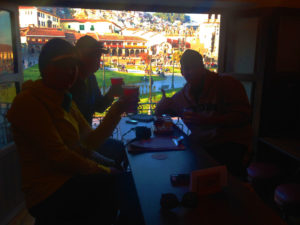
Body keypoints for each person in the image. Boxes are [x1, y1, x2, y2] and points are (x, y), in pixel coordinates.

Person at [6, 38, 133, 225]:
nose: (71, 72)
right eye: (63, 65)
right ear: (45, 68)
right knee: (117, 185)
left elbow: (89, 140)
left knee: (119, 178)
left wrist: (118, 108)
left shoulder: (65, 98)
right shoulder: (29, 102)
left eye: (73, 66)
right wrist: (104, 170)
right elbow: (60, 157)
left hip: (68, 176)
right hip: (47, 190)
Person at [155, 49, 252, 178]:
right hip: (199, 148)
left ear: (202, 67)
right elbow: (166, 118)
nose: (186, 74)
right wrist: (160, 108)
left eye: (191, 68)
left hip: (229, 145)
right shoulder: (182, 95)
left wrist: (207, 120)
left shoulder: (227, 84)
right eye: (184, 69)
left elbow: (243, 116)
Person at [70, 35, 125, 167]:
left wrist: (111, 94)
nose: (99, 61)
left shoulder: (91, 79)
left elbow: (99, 107)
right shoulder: (69, 84)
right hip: (76, 145)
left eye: (99, 57)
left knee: (122, 148)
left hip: (90, 138)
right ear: (83, 57)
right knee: (119, 152)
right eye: (96, 57)